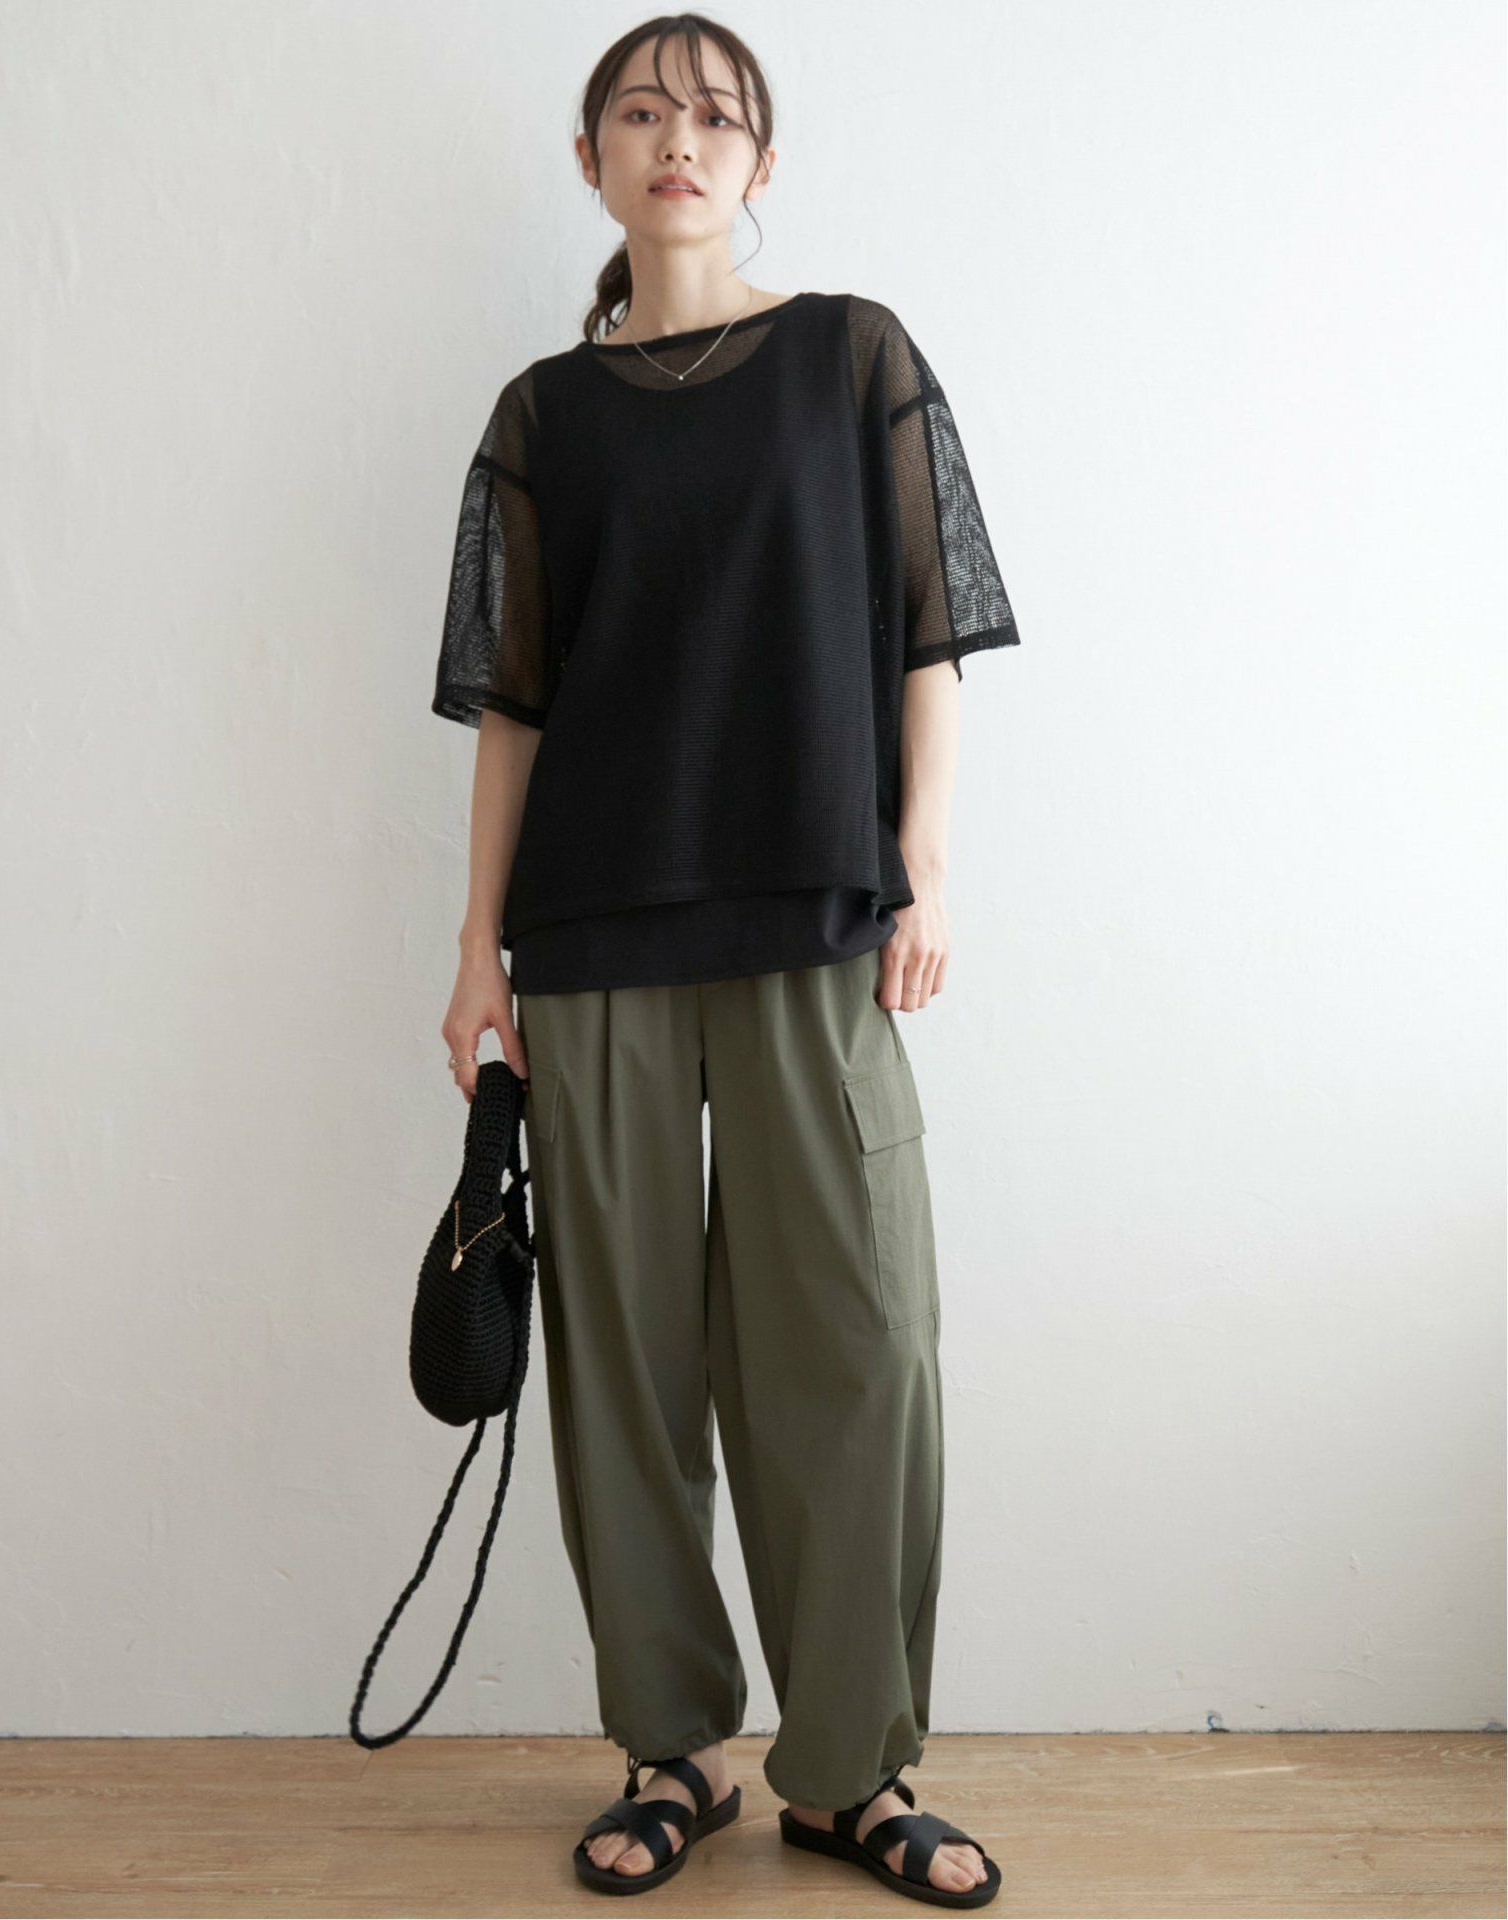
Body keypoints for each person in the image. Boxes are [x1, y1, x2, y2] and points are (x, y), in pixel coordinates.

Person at [432, 13, 1018, 1908]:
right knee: (626, 1364)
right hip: (591, 939)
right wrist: (475, 954)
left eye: (711, 115)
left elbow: (929, 631)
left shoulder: (855, 356)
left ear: (762, 162)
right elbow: (512, 706)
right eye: (639, 111)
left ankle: (850, 1770)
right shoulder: (543, 416)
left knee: (861, 1340)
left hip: (816, 919)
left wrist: (923, 871)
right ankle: (671, 1747)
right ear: (591, 159)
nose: (674, 138)